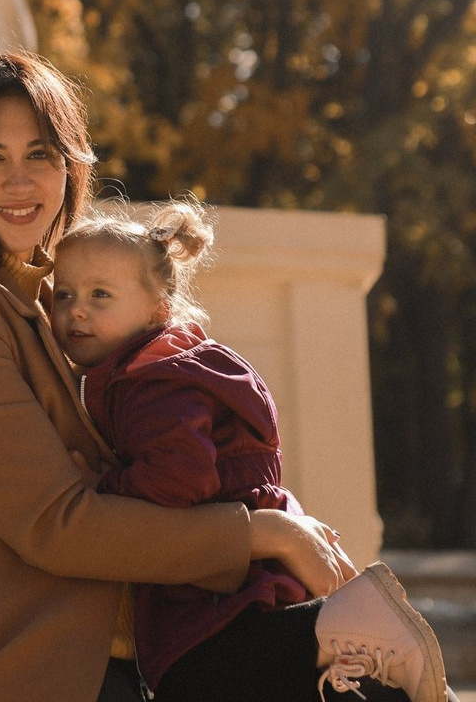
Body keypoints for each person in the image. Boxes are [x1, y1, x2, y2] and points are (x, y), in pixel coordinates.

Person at [0, 50, 367, 702]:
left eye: (41, 155)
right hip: (9, 670)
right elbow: (59, 524)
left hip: (111, 667)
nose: (20, 181)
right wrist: (261, 536)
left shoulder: (49, 304)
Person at [50, 199, 448, 702]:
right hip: (241, 551)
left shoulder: (147, 384)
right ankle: (357, 665)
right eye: (63, 294)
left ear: (158, 310)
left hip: (217, 569)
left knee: (191, 668)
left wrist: (102, 487)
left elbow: (178, 479)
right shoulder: (172, 364)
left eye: (100, 294)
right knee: (260, 673)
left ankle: (334, 629)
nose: (76, 309)